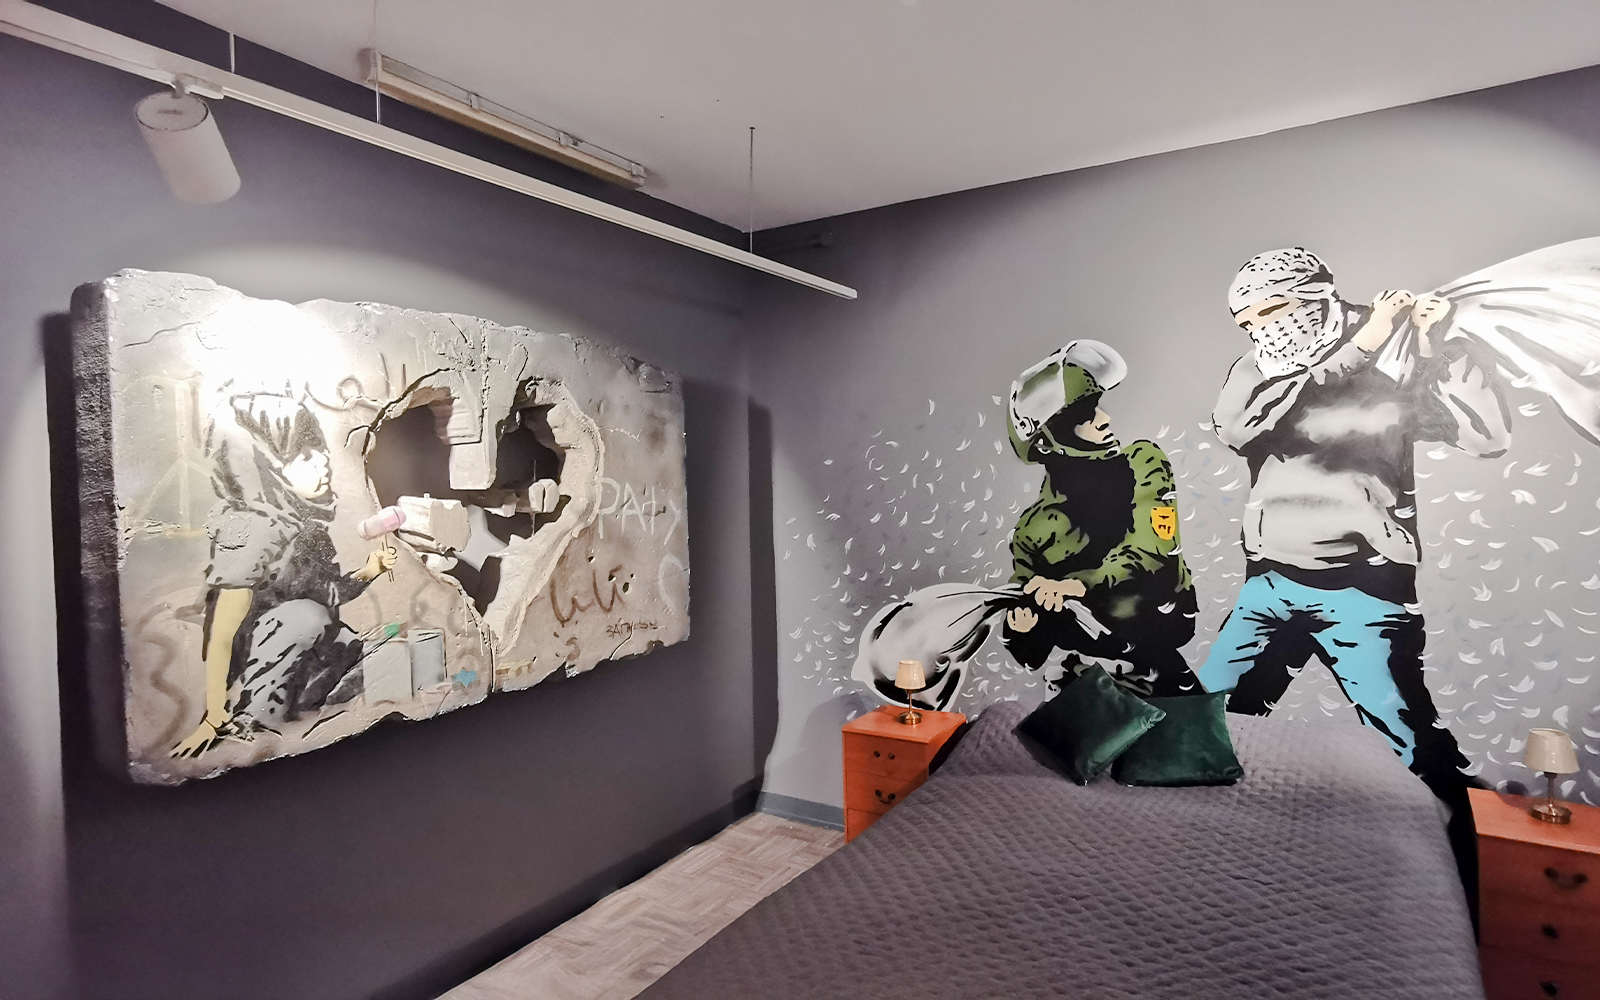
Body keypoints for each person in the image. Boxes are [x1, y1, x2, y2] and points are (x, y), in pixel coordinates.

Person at [1197, 247, 1511, 800]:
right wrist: (1360, 348)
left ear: (1314, 294)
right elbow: (1238, 429)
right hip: (1270, 580)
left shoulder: (1400, 347)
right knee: (1198, 723)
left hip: (1364, 587)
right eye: (1245, 322)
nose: (1259, 330)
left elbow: (1486, 437)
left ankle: (1470, 836)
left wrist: (1435, 349)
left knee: (1410, 750)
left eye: (1269, 311)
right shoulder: (1262, 365)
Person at [171, 394, 396, 758]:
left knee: (348, 643)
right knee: (306, 618)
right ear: (265, 467)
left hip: (295, 648)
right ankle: (253, 719)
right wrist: (214, 716)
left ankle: (301, 709)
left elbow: (327, 592)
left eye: (319, 450)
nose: (323, 461)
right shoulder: (255, 531)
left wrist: (372, 570)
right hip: (257, 659)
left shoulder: (305, 528)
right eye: (305, 456)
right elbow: (222, 636)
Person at [1002, 342, 1200, 697]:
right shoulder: (1032, 531)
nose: (1104, 418)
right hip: (1080, 683)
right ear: (1049, 441)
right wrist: (1021, 626)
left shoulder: (1144, 462)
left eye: (1097, 405)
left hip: (1158, 668)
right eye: (1084, 414)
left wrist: (1077, 585)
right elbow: (1030, 656)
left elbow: (1154, 551)